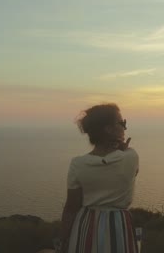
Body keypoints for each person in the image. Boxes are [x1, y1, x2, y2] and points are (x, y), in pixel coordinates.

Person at [56, 103, 139, 253]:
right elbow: (131, 172)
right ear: (108, 129)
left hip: (86, 225)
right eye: (122, 123)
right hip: (119, 226)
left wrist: (63, 241)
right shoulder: (131, 157)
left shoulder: (78, 164)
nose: (125, 127)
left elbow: (71, 208)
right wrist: (121, 150)